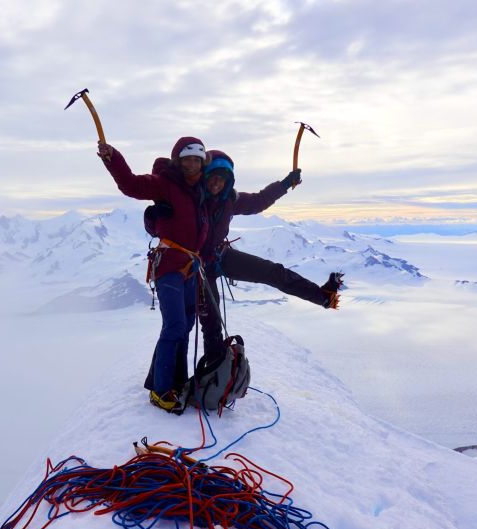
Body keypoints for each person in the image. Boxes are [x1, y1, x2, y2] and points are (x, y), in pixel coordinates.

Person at [97, 137, 209, 414]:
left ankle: (177, 381)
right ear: (178, 161)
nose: (192, 164)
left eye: (197, 159)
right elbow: (131, 184)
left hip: (190, 267)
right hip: (170, 265)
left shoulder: (200, 192)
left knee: (184, 325)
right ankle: (160, 391)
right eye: (187, 159)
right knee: (174, 326)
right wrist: (113, 157)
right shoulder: (166, 184)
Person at [199, 150, 343, 361]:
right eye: (212, 176)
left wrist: (285, 184)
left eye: (222, 178)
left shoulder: (229, 199)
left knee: (273, 272)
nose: (216, 182)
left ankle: (324, 297)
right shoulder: (194, 198)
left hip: (220, 256)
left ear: (228, 181)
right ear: (205, 176)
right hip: (196, 265)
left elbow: (259, 201)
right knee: (210, 322)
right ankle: (208, 378)